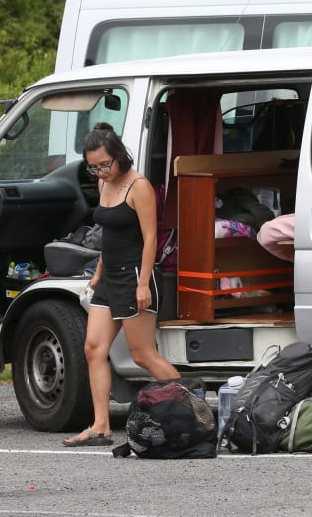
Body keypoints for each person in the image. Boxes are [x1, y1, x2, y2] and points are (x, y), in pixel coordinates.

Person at [63, 123, 181, 446]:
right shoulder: (105, 185)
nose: (100, 171)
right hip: (110, 277)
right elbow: (109, 236)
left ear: (118, 155)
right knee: (93, 349)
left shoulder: (138, 187)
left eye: (105, 164)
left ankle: (192, 409)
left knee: (143, 355)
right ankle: (101, 426)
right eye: (93, 166)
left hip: (134, 277)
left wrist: (143, 284)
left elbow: (150, 238)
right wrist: (99, 271)